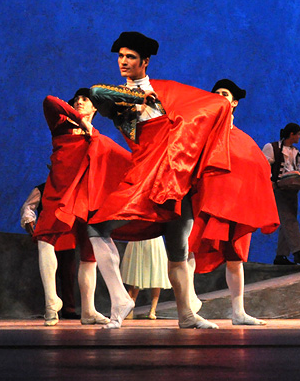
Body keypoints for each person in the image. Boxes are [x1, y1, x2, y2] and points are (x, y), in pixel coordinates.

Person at [86, 31, 233, 329]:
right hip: (144, 173)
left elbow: (215, 105)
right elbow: (96, 93)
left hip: (174, 173)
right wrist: (140, 99)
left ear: (145, 61)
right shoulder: (118, 98)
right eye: (121, 56)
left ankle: (187, 315)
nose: (123, 62)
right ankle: (119, 298)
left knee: (178, 249)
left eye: (130, 57)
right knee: (96, 226)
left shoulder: (168, 90)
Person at [33, 90, 132, 326]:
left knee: (90, 256)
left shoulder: (97, 138)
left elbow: (124, 161)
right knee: (45, 239)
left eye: (85, 100)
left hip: (87, 200)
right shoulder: (60, 125)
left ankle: (88, 311)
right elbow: (49, 100)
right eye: (76, 99)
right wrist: (79, 120)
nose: (79, 101)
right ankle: (50, 303)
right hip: (60, 194)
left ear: (95, 108)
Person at [188, 79, 279, 325]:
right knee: (189, 251)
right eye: (215, 92)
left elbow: (258, 169)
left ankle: (238, 312)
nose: (219, 96)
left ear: (234, 102)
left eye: (224, 93)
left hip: (231, 207)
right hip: (204, 202)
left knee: (234, 257)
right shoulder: (201, 133)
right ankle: (187, 308)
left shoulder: (243, 139)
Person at [19, 182, 79, 322]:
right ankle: (49, 306)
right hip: (48, 234)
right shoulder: (42, 188)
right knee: (47, 274)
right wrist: (29, 219)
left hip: (67, 236)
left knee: (68, 274)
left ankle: (69, 308)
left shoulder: (71, 186)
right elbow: (28, 206)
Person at [262, 123, 300, 265]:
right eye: (298, 134)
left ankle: (281, 256)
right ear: (292, 134)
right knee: (289, 219)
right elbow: (264, 165)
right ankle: (298, 251)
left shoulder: (295, 151)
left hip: (291, 189)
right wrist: (270, 181)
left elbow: (299, 169)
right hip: (278, 189)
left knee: (287, 220)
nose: (299, 137)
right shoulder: (272, 147)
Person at [120, 236, 171, 320]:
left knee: (156, 274)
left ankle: (152, 310)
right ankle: (129, 309)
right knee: (136, 273)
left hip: (153, 238)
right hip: (138, 237)